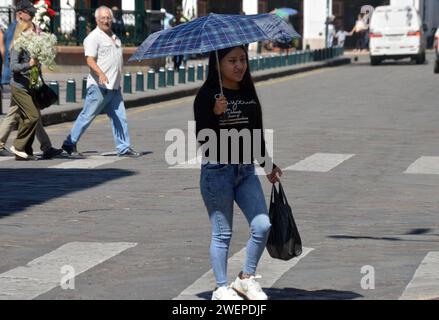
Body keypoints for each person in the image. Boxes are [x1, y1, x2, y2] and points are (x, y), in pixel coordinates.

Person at [194, 46, 282, 300]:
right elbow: (202, 137)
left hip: (245, 171)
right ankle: (221, 287)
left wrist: (268, 165)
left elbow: (256, 134)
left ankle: (245, 278)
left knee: (262, 225)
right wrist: (214, 114)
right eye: (232, 61)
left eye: (243, 59)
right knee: (222, 233)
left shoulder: (248, 92)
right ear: (218, 64)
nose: (239, 66)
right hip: (217, 171)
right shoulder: (208, 94)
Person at [61, 6, 140, 158]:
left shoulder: (115, 37)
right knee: (87, 116)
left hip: (114, 87)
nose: (106, 21)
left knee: (120, 117)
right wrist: (101, 73)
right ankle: (69, 144)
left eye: (108, 18)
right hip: (99, 86)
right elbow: (89, 60)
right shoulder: (93, 37)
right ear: (97, 20)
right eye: (102, 18)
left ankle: (123, 148)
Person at [0, 1, 62, 159]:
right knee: (29, 115)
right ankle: (22, 146)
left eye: (34, 13)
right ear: (20, 13)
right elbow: (12, 56)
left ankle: (41, 147)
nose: (33, 16)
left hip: (29, 81)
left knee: (29, 115)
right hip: (19, 80)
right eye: (30, 13)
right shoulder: (17, 29)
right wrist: (28, 65)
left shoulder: (31, 26)